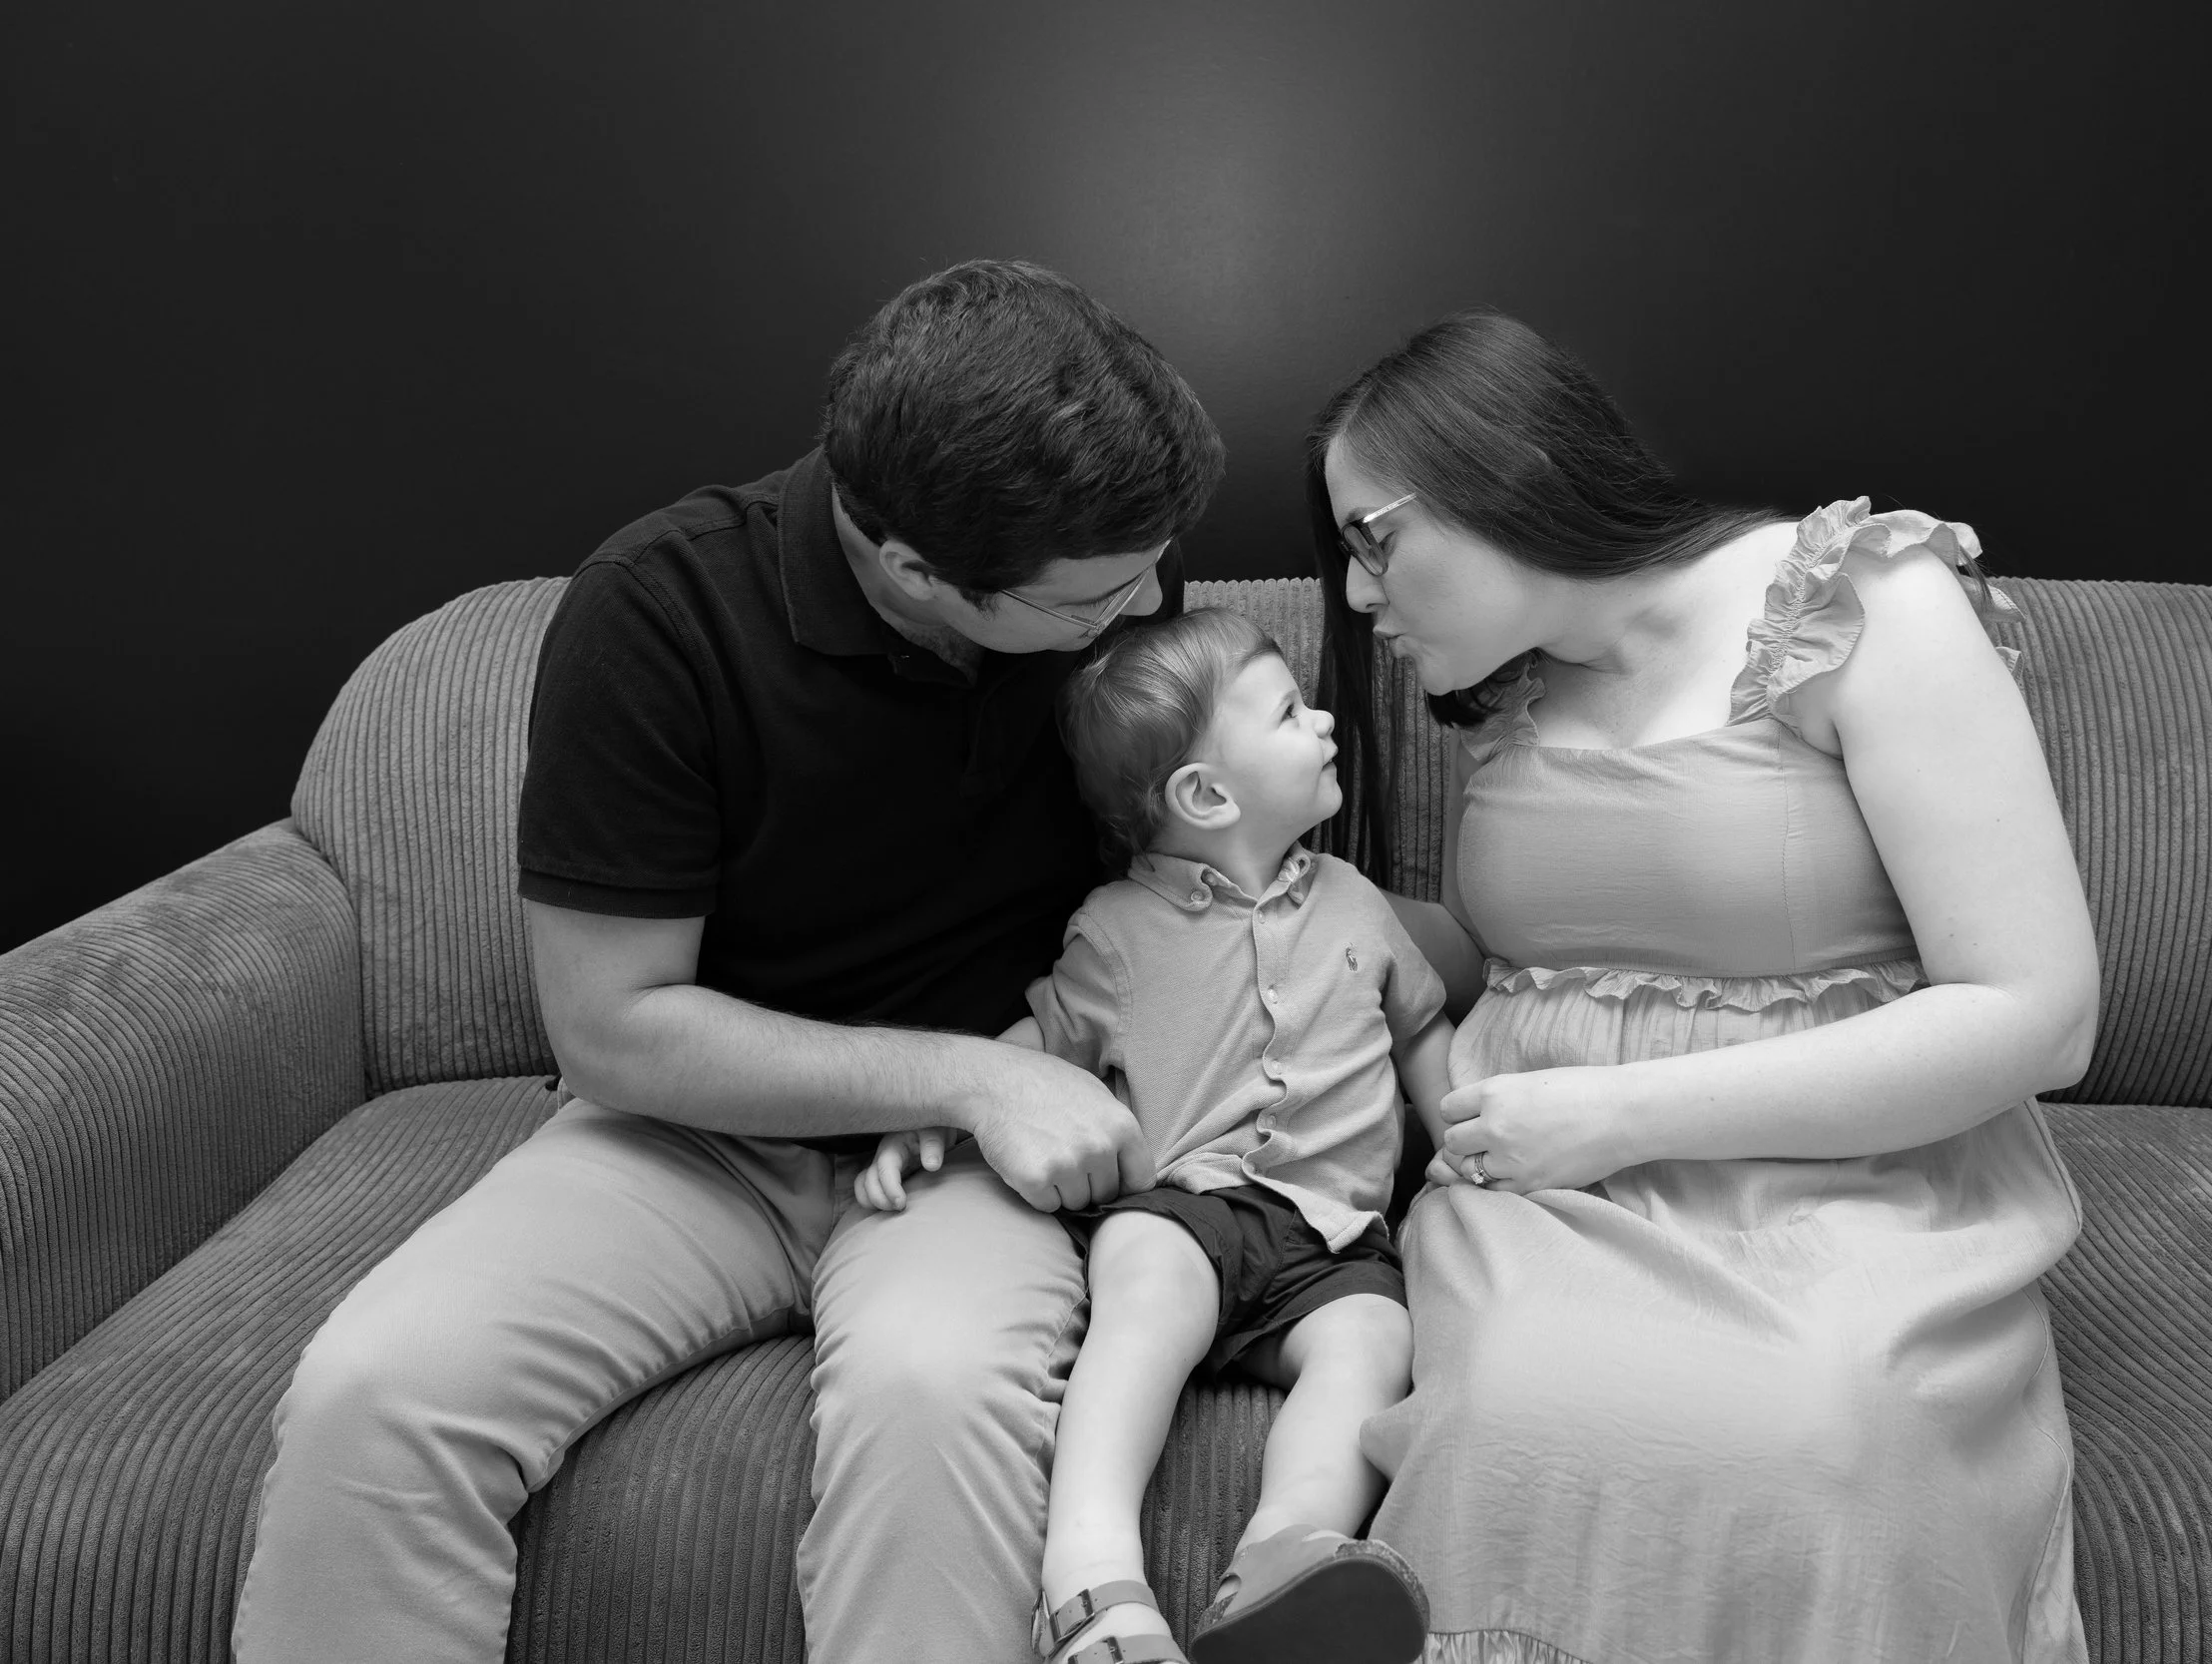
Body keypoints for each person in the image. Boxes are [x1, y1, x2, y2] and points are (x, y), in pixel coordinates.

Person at [232, 261, 1225, 1664]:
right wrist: (955, 1075)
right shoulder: (657, 610)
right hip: (695, 1132)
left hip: (973, 1152)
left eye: (1149, 571)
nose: (1141, 614)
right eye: (1092, 600)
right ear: (914, 570)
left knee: (935, 1394)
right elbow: (614, 1028)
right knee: (378, 1390)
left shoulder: (1118, 604)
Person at [1310, 310, 2099, 1664]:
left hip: (1853, 1170)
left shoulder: (1858, 600)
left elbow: (2041, 1009)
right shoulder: (1506, 693)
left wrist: (1621, 1112)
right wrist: (1301, 917)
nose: (1359, 596)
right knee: (1522, 1406)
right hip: (1551, 1193)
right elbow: (1543, 956)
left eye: (1373, 540)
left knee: (1822, 1423)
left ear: (1506, 470)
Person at [858, 607, 1452, 1664]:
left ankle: (1282, 1559)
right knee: (1145, 1281)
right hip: (1193, 1207)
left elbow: (1422, 1028)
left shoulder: (1360, 906)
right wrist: (942, 1106)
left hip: (1338, 1237)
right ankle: (1089, 1578)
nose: (1322, 720)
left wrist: (1468, 1139)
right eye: (1287, 709)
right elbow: (1039, 1046)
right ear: (1207, 794)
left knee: (1376, 1344)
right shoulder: (1115, 929)